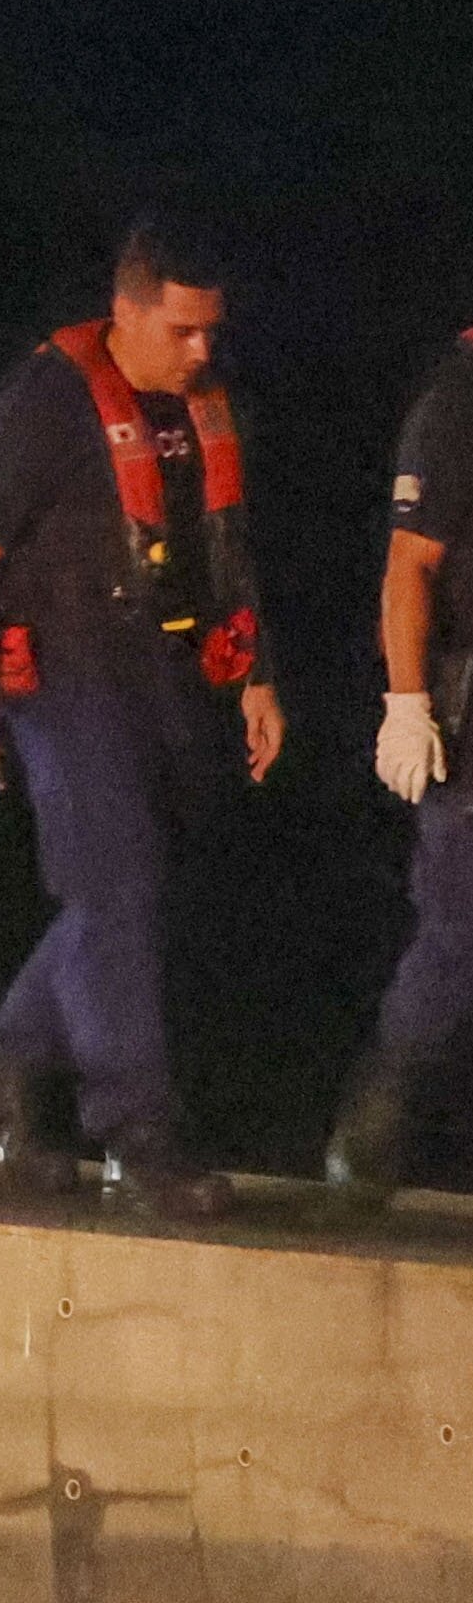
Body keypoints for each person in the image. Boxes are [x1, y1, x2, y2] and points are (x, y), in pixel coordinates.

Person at [0, 214, 283, 1220]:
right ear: (124, 312)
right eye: (180, 330)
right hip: (62, 682)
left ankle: (0, 1072)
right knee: (115, 894)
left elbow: (225, 545)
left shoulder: (201, 403)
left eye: (210, 329)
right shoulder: (44, 401)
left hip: (163, 681)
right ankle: (136, 1133)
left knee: (116, 897)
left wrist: (255, 675)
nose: (201, 350)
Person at [323, 326, 473, 1202]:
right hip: (465, 707)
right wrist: (406, 700)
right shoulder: (453, 408)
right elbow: (408, 568)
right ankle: (369, 1135)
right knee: (457, 931)